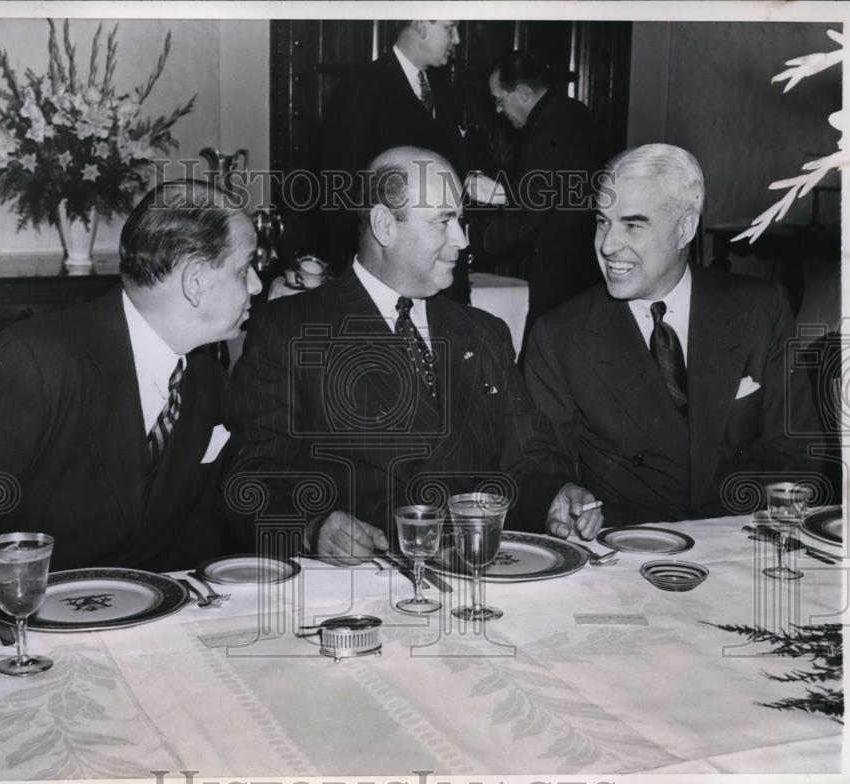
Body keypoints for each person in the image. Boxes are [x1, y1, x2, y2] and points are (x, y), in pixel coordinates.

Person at [229, 147, 601, 563]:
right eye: (444, 221)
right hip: (362, 587)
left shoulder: (483, 333)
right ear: (385, 225)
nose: (462, 239)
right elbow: (252, 477)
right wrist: (311, 527)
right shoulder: (290, 329)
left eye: (461, 220)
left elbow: (529, 456)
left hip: (480, 576)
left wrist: (554, 495)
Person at [0, 179, 262, 599]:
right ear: (194, 280)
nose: (255, 284)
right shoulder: (30, 365)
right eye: (244, 267)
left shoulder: (207, 384)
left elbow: (197, 544)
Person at [525, 144, 819, 526]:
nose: (608, 244)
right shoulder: (560, 335)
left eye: (632, 224)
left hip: (741, 540)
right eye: (602, 221)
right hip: (627, 549)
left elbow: (796, 452)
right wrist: (561, 493)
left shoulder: (760, 310)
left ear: (685, 229)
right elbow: (539, 460)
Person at [319, 20, 470, 300]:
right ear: (422, 24)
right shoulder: (360, 88)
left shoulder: (444, 89)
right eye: (450, 28)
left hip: (443, 276)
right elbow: (340, 194)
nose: (458, 39)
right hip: (387, 280)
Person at [466, 51, 603, 347]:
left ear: (524, 93)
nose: (499, 111)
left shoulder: (544, 130)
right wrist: (503, 194)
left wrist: (474, 237)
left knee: (541, 358)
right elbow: (553, 189)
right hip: (586, 263)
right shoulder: (572, 112)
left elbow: (532, 215)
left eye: (500, 101)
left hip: (560, 270)